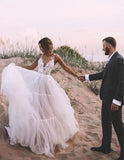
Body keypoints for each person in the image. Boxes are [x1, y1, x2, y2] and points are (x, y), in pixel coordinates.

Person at [1, 37, 79, 157]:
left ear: (47, 46)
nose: (40, 49)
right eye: (39, 48)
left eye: (41, 47)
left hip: (48, 86)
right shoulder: (39, 56)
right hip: (37, 84)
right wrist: (18, 67)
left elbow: (66, 68)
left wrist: (77, 76)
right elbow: (32, 67)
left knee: (49, 110)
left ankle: (49, 136)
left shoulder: (56, 57)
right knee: (37, 109)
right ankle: (36, 136)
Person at [79, 37, 124, 160]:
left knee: (118, 126)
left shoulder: (119, 60)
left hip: (114, 100)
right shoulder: (111, 59)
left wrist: (117, 101)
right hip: (106, 98)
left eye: (103, 46)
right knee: (106, 122)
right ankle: (105, 147)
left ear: (109, 46)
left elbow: (122, 82)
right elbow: (103, 74)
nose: (102, 48)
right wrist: (86, 77)